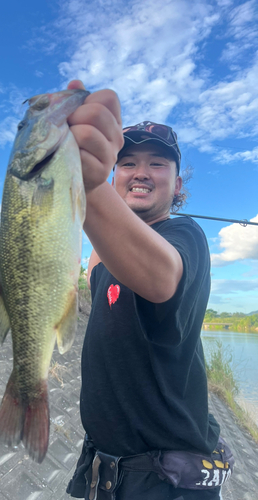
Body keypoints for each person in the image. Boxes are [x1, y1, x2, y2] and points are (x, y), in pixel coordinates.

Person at [65, 81, 234, 500]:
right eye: (128, 163)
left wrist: (85, 186)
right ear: (115, 172)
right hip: (104, 470)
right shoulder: (103, 254)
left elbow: (161, 278)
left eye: (158, 164)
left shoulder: (185, 235)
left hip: (164, 480)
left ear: (177, 186)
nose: (141, 172)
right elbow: (100, 269)